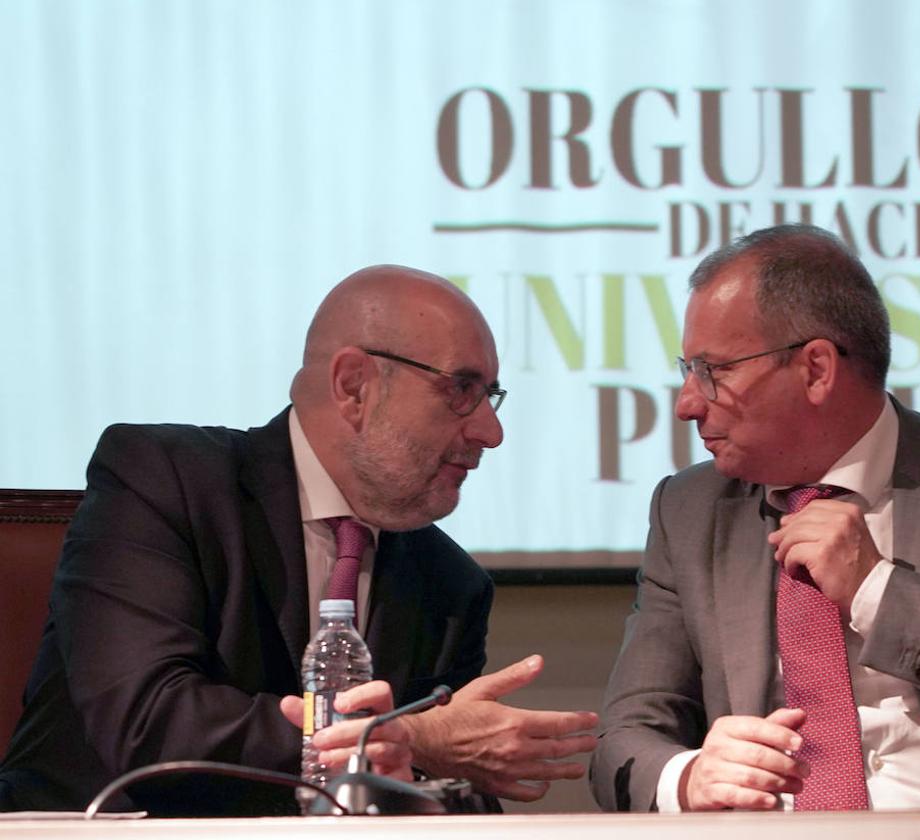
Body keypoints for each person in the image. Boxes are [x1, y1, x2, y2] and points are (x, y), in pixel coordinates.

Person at [0, 266, 597, 815]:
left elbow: (448, 797)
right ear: (354, 386)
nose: (490, 431)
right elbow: (148, 722)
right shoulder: (164, 479)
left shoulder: (448, 584)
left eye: (490, 395)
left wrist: (427, 761)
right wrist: (397, 739)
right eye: (461, 390)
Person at [590, 224, 920, 812]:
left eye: (712, 371)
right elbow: (623, 739)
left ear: (817, 368)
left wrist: (878, 589)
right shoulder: (690, 510)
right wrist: (688, 774)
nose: (686, 403)